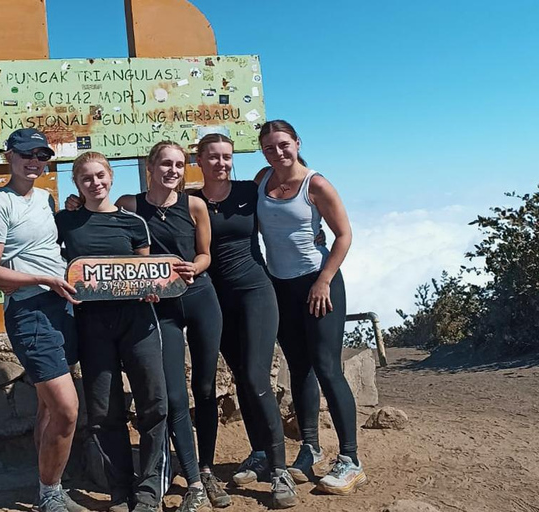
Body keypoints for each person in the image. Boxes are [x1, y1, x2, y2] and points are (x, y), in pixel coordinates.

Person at [112, 141, 230, 512]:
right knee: (174, 396)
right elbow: (102, 223)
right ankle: (194, 480)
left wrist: (195, 267)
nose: (173, 171)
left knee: (206, 387)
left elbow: (205, 253)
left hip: (200, 300)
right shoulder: (130, 205)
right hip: (159, 309)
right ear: (150, 166)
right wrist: (71, 207)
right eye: (165, 164)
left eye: (179, 165)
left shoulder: (194, 205)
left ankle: (207, 468)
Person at [0, 128, 86, 512]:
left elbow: (44, 245)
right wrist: (41, 278)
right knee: (67, 409)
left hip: (61, 306)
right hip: (30, 311)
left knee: (46, 407)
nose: (35, 162)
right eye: (27, 155)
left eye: (41, 155)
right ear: (9, 156)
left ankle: (48, 490)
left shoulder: (46, 197)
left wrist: (69, 210)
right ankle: (51, 492)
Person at [255, 120, 366, 495]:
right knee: (298, 368)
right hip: (280, 286)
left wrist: (323, 280)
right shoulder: (262, 180)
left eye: (283, 145)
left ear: (297, 143)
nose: (278, 152)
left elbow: (344, 235)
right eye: (269, 148)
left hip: (320, 283)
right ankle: (310, 447)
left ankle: (350, 459)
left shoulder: (315, 184)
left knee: (327, 367)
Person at [56, 152, 169, 512]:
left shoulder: (134, 223)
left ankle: (150, 493)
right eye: (86, 178)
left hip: (138, 321)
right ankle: (121, 490)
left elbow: (146, 270)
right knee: (104, 412)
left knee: (154, 404)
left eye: (100, 176)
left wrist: (152, 287)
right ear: (76, 183)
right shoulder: (66, 222)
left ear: (111, 177)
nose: (95, 183)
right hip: (92, 324)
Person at [192, 133, 297, 508]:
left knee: (255, 378)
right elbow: (142, 210)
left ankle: (280, 470)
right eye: (214, 157)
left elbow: (289, 189)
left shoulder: (249, 191)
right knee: (241, 377)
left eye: (227, 157)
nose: (221, 163)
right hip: (216, 301)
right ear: (199, 160)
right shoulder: (190, 201)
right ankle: (260, 453)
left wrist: (313, 228)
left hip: (255, 292)